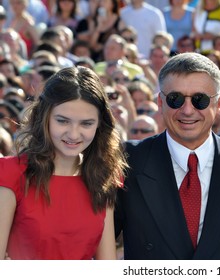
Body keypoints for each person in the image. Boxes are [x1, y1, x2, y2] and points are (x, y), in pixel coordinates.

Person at [114, 52, 220, 260]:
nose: (187, 110)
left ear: (218, 104)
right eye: (175, 99)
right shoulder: (127, 159)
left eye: (200, 100)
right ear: (160, 103)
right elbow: (94, 238)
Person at [0, 66, 128, 260]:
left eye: (86, 123)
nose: (74, 134)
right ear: (45, 118)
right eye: (63, 121)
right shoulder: (10, 173)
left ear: (100, 125)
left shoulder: (104, 177)